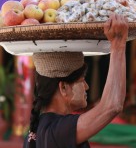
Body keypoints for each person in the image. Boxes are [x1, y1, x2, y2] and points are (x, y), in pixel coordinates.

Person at [23, 13, 129, 148]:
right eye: (82, 80)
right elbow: (112, 106)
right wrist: (118, 43)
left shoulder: (37, 130)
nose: (87, 86)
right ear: (63, 88)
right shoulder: (58, 129)